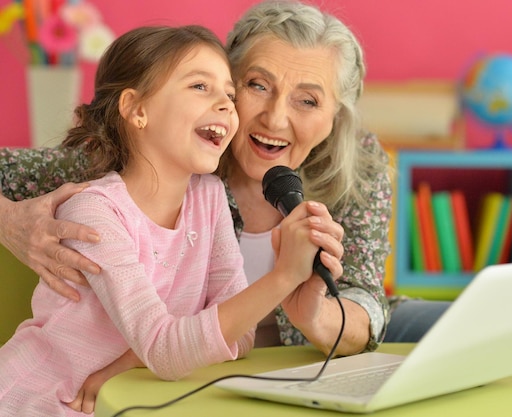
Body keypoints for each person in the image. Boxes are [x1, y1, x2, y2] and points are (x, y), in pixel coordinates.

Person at [1, 0, 449, 387]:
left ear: (336, 116)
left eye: (307, 100)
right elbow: (162, 343)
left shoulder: (359, 161)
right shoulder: (152, 156)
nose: (275, 119)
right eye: (256, 86)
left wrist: (315, 314)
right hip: (189, 366)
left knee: (493, 330)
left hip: (314, 350)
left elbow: (364, 299)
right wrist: (9, 221)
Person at [0, 23, 344, 417]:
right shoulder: (94, 212)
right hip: (41, 397)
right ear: (137, 108)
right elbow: (170, 349)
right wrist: (284, 276)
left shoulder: (209, 197)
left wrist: (126, 363)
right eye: (200, 86)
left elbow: (240, 333)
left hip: (126, 397)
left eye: (229, 94)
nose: (226, 105)